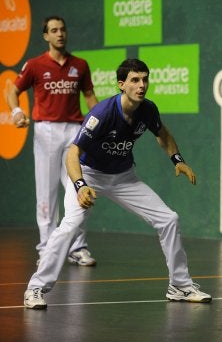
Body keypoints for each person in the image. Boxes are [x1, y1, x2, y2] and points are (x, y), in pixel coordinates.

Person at [23, 58, 212, 309]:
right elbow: (72, 153)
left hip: (124, 177)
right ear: (121, 84)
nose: (141, 85)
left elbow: (162, 134)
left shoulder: (148, 109)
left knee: (169, 219)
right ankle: (35, 288)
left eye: (145, 79)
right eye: (135, 80)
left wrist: (177, 160)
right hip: (89, 175)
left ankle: (179, 285)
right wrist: (80, 186)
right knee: (71, 224)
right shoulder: (102, 113)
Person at [7, 16, 98, 266]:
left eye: (62, 30)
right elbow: (12, 91)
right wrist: (16, 112)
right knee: (46, 194)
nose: (60, 34)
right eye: (54, 30)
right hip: (46, 130)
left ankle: (77, 248)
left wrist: (99, 123)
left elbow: (89, 95)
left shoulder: (79, 65)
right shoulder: (35, 65)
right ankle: (47, 249)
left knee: (79, 188)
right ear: (46, 36)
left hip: (75, 132)